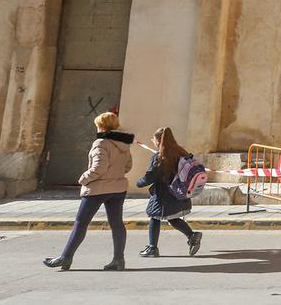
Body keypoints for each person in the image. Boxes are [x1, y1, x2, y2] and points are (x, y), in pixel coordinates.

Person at [43, 111, 133, 271]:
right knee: (117, 224)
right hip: (118, 188)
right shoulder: (124, 144)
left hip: (97, 188)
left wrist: (83, 179)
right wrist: (116, 175)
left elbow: (99, 167)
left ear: (101, 126)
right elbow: (128, 166)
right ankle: (119, 259)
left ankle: (66, 257)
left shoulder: (101, 144)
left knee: (81, 223)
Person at [136, 126, 203, 257]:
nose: (153, 142)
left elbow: (150, 176)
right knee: (173, 217)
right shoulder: (182, 152)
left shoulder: (159, 157)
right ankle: (192, 235)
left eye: (154, 139)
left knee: (154, 217)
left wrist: (139, 183)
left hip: (163, 196)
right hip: (180, 193)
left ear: (158, 140)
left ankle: (152, 248)